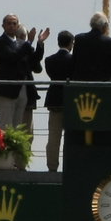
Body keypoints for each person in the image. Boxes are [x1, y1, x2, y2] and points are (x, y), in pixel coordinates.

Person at [0, 13, 46, 137]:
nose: (11, 26)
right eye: (9, 23)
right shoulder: (0, 42)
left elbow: (34, 60)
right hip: (6, 89)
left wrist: (40, 43)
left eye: (14, 23)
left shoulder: (22, 44)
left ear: (17, 26)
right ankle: (3, 155)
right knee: (5, 126)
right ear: (3, 26)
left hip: (21, 88)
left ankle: (14, 155)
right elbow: (12, 57)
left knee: (17, 127)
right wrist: (29, 42)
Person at [41, 31, 77, 171]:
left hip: (54, 99)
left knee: (53, 137)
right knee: (70, 138)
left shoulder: (49, 60)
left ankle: (52, 166)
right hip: (69, 100)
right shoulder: (74, 60)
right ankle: (69, 167)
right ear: (70, 43)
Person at [69, 12, 111, 82]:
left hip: (81, 82)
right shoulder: (110, 42)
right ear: (104, 26)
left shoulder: (79, 39)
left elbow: (74, 60)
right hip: (103, 83)